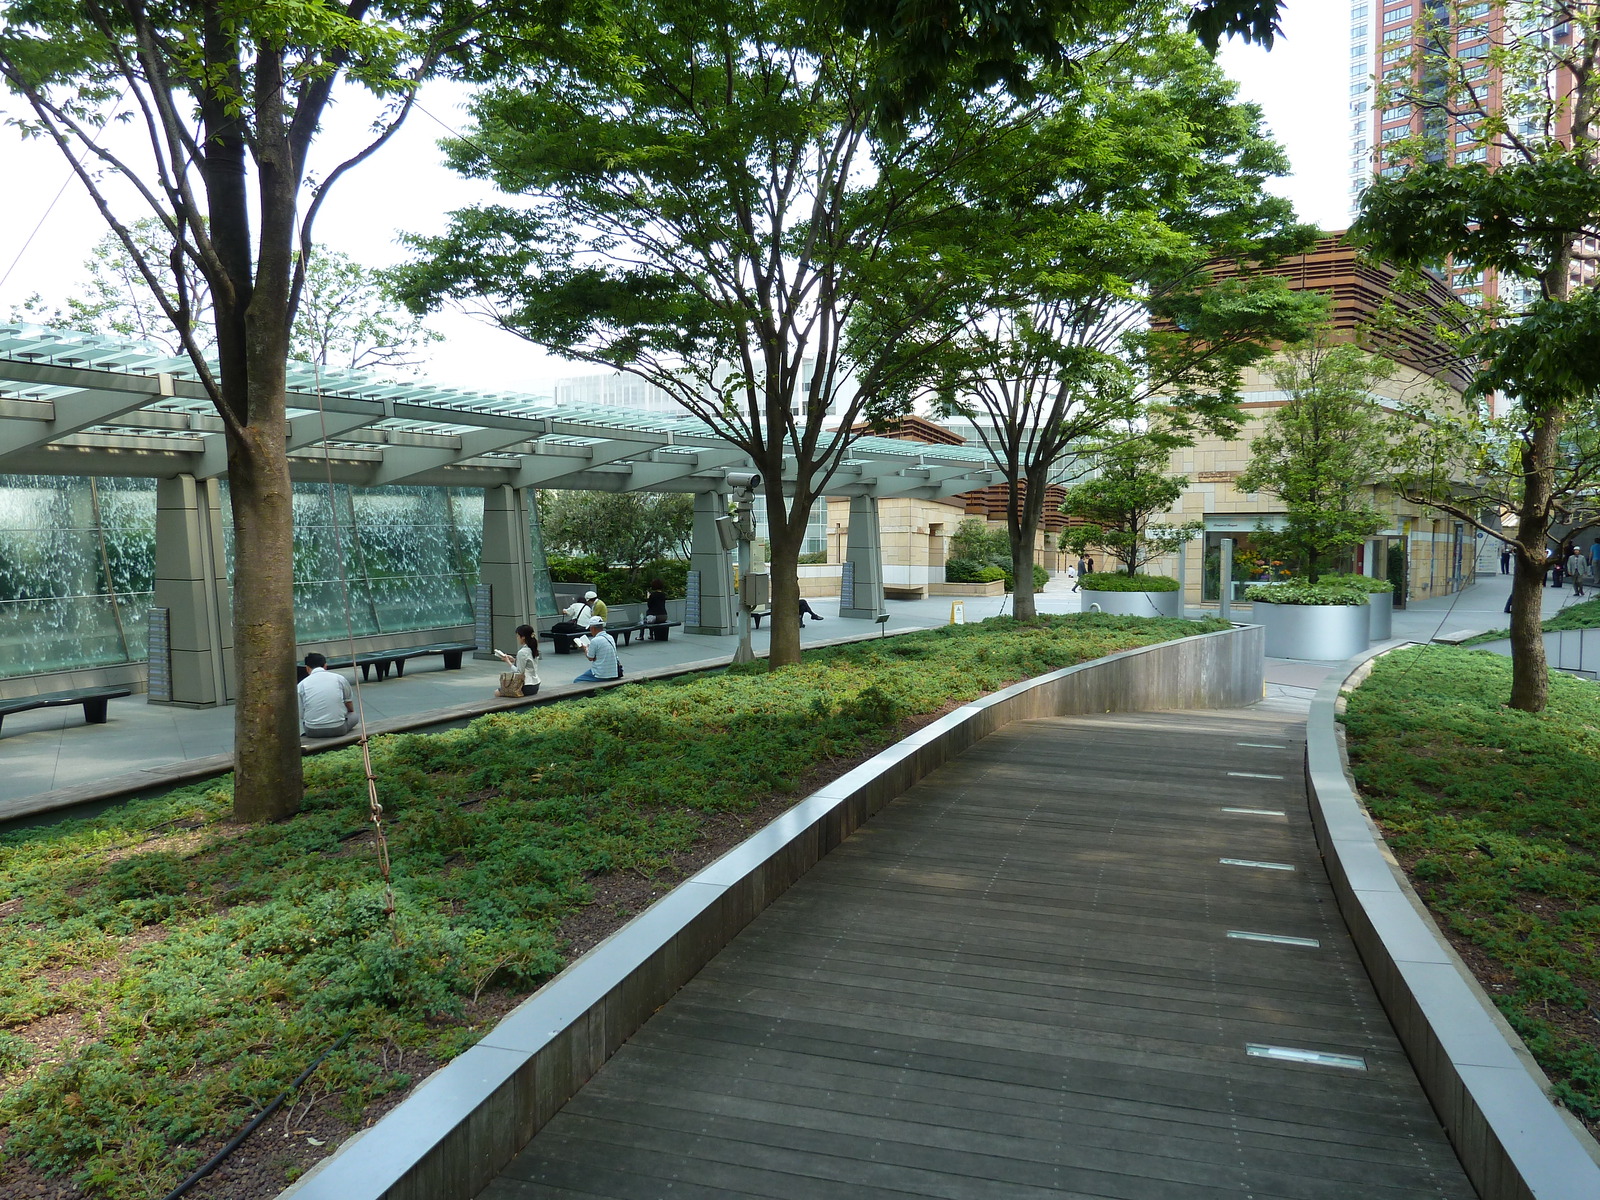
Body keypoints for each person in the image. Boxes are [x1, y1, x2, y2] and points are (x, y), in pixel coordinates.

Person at [298, 652, 355, 738]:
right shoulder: (339, 678)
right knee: (354, 716)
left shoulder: (301, 685)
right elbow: (349, 703)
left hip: (312, 731)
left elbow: (302, 715)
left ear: (307, 668)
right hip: (338, 728)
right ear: (325, 665)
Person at [495, 624, 541, 696]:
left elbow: (519, 672)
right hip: (535, 684)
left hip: (526, 685)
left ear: (523, 637)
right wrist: (514, 660)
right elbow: (529, 664)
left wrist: (508, 662)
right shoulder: (532, 648)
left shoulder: (522, 652)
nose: (517, 638)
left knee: (497, 692)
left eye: (517, 636)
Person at [573, 615, 621, 683]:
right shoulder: (610, 637)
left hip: (601, 674)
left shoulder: (595, 641)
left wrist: (585, 648)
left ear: (593, 628)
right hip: (614, 672)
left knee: (577, 681)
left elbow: (590, 658)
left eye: (590, 629)